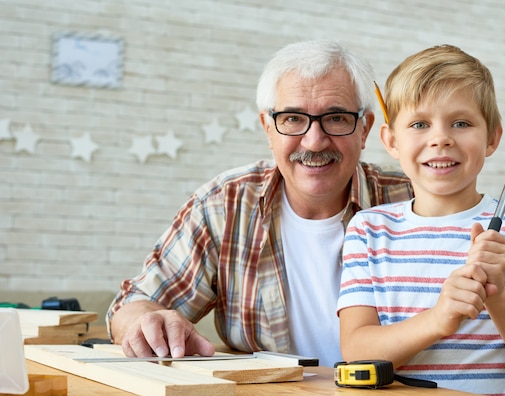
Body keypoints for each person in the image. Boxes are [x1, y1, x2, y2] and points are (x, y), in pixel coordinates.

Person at [106, 40, 413, 368]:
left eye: (336, 118)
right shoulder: (224, 205)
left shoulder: (411, 200)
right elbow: (134, 305)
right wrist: (150, 324)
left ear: (364, 128)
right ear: (268, 128)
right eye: (293, 119)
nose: (314, 140)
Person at [337, 44, 505, 396]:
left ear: (492, 138)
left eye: (461, 123)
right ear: (391, 141)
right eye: (419, 124)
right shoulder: (368, 230)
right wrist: (439, 318)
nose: (440, 138)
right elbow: (357, 352)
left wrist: (498, 298)